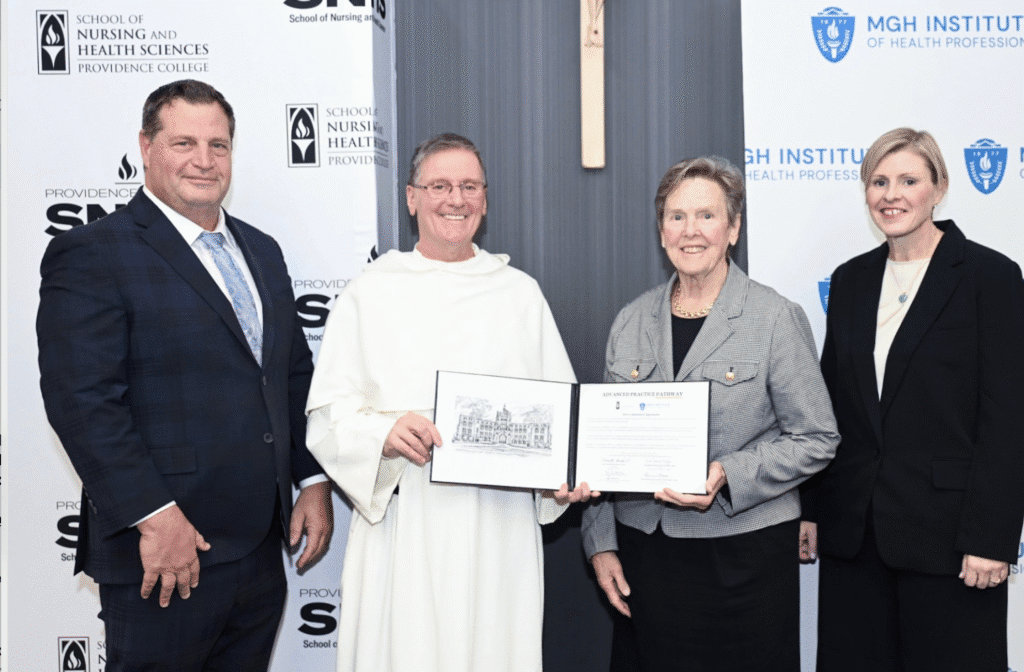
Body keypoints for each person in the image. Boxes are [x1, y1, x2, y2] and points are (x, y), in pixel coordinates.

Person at [37, 79, 333, 672]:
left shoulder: (262, 250)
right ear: (145, 147)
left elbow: (292, 377)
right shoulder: (94, 252)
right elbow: (84, 402)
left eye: (218, 145)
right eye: (184, 143)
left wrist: (313, 480)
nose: (204, 160)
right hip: (167, 554)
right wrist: (155, 515)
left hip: (257, 552)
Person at [305, 133, 589, 672]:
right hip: (403, 524)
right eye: (439, 185)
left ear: (485, 198)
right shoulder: (371, 290)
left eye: (468, 186)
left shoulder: (518, 294)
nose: (454, 199)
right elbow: (327, 417)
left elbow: (562, 420)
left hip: (495, 529)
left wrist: (562, 477)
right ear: (411, 197)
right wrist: (382, 435)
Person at [581, 156, 839, 671]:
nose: (690, 231)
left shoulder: (774, 318)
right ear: (661, 231)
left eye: (706, 215)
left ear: (734, 227)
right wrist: (600, 543)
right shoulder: (630, 321)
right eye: (676, 216)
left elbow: (817, 437)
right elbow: (601, 448)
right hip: (646, 558)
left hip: (743, 559)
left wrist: (728, 473)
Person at [800, 128, 1024, 671]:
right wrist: (810, 509)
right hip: (856, 536)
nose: (890, 194)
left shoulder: (991, 276)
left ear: (939, 188)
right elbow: (833, 407)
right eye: (878, 181)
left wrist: (992, 537)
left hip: (952, 541)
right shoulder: (852, 280)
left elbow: (1008, 417)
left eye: (908, 180)